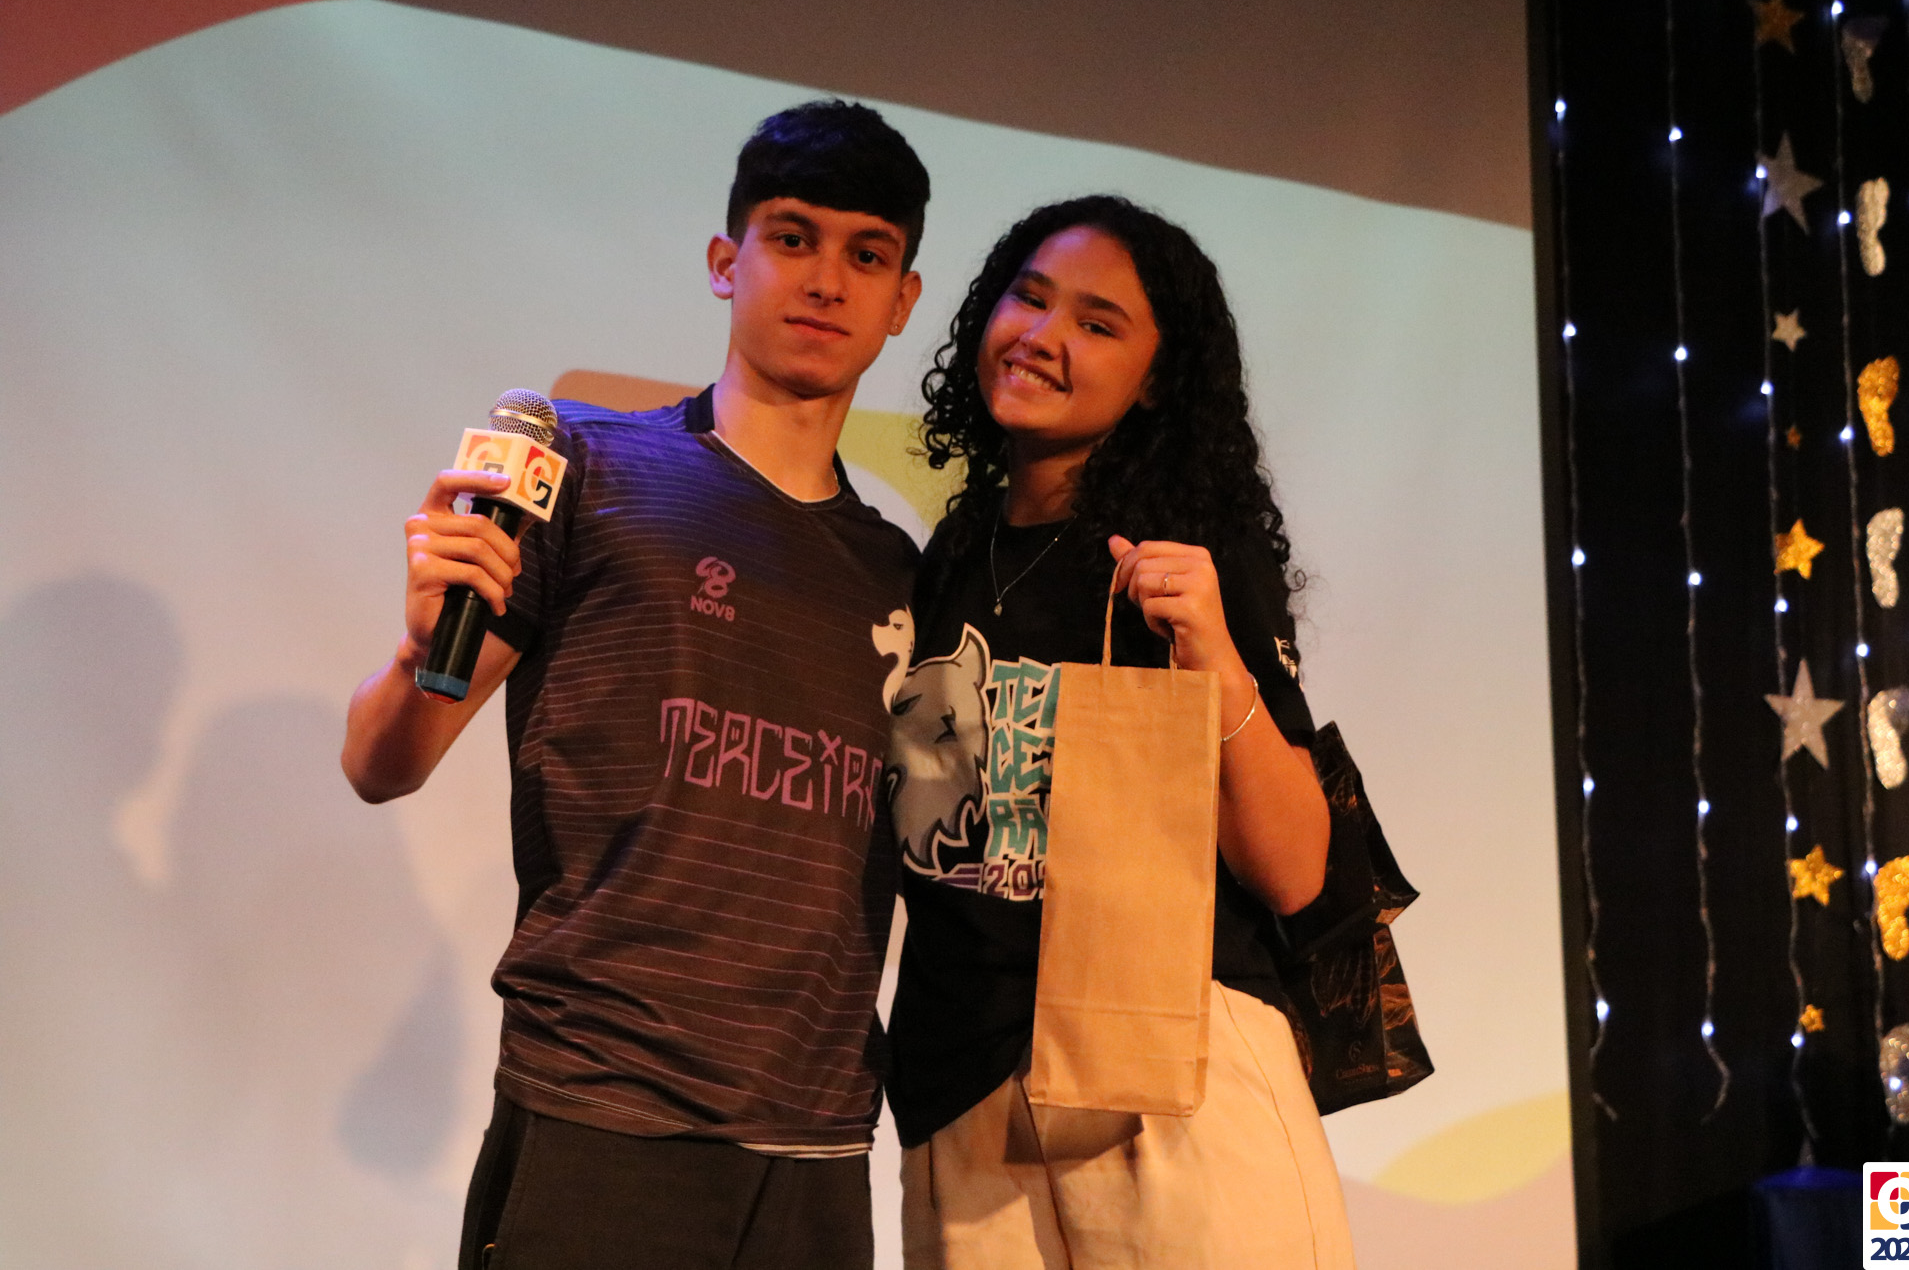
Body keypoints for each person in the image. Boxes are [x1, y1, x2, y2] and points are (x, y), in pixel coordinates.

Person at [340, 99, 929, 1270]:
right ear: (724, 261)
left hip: (815, 1144)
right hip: (602, 1111)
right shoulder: (586, 464)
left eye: (867, 256)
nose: (826, 280)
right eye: (792, 238)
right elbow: (380, 763)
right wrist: (418, 651)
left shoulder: (899, 572)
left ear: (902, 300)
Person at [885, 195, 1356, 1267]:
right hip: (963, 1090)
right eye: (1029, 298)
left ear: (1153, 381)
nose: (1043, 336)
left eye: (1097, 324)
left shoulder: (1184, 558)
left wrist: (1214, 655)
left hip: (1168, 1076)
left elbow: (1295, 869)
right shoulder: (946, 558)